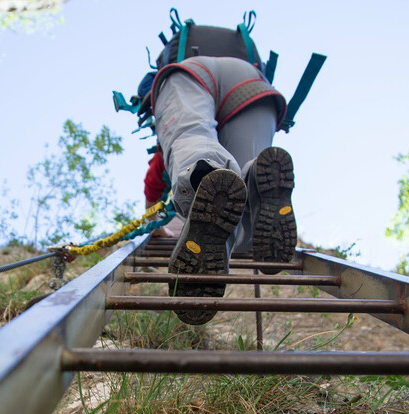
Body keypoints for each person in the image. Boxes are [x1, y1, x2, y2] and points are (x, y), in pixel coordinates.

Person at [123, 10, 311, 325]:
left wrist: (158, 224)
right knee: (243, 215)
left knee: (190, 138)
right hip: (252, 84)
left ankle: (203, 176)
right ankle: (253, 179)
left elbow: (153, 183)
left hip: (190, 75)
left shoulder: (161, 161)